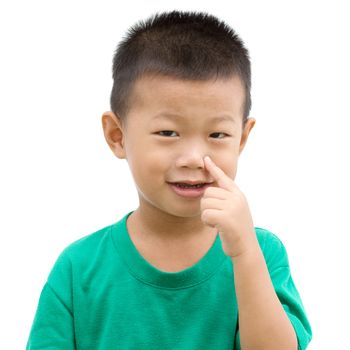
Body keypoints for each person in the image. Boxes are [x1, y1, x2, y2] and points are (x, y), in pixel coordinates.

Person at [26, 10, 312, 350]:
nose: (193, 157)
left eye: (217, 134)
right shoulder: (78, 268)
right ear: (117, 135)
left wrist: (244, 252)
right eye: (167, 132)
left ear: (242, 139)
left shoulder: (261, 252)